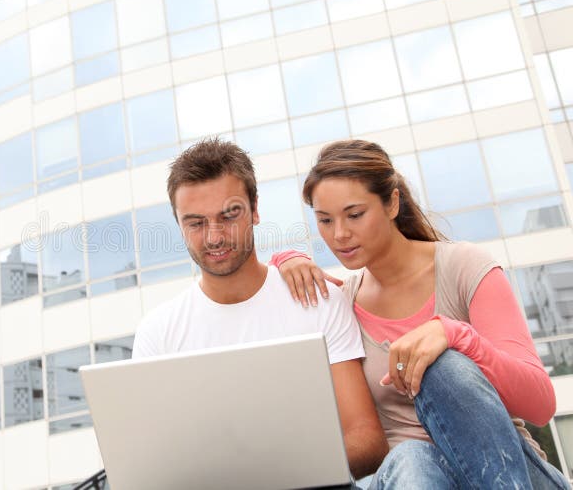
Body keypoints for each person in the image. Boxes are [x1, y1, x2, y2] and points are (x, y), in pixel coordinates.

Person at [273, 139, 569, 489]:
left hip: (509, 473)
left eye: (355, 215)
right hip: (416, 480)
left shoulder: (464, 267)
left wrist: (455, 335)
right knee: (410, 457)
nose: (339, 234)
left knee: (444, 364)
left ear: (392, 203)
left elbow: (540, 405)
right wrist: (283, 260)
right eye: (324, 220)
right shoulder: (342, 303)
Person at [132, 138, 388, 479]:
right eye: (195, 223)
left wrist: (273, 475)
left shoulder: (318, 299)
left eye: (229, 214)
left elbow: (367, 440)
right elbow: (151, 463)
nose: (214, 237)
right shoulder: (157, 332)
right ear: (179, 225)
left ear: (254, 209)